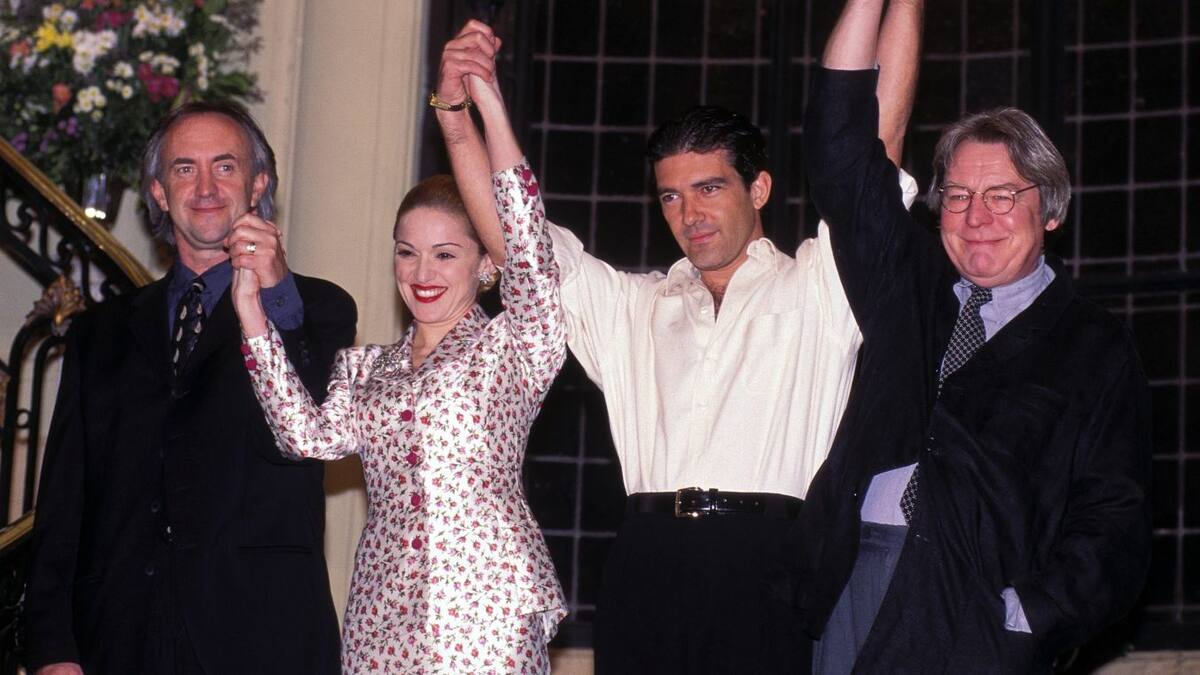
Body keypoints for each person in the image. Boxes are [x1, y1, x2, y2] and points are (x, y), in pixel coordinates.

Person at [436, 19, 920, 673]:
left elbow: (875, 147)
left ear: (758, 189)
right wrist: (460, 113)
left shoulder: (819, 284)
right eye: (671, 196)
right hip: (647, 564)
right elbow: (516, 238)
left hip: (770, 568)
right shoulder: (634, 307)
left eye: (709, 188)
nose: (689, 214)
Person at [786, 1, 1153, 672]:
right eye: (957, 196)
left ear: (1049, 209)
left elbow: (1115, 520)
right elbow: (840, 149)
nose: (976, 217)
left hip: (972, 617)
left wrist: (1026, 616)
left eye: (1002, 196)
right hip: (850, 583)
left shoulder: (1094, 346)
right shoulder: (909, 284)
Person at [229, 57, 566, 671]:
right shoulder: (364, 367)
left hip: (486, 608)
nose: (422, 272)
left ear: (486, 265)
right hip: (381, 612)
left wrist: (486, 103)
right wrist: (251, 313)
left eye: (445, 254)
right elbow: (306, 438)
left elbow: (529, 246)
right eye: (407, 253)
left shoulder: (516, 343)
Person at [25, 101, 356, 674]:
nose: (205, 187)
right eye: (184, 169)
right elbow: (64, 499)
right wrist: (52, 647)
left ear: (258, 184)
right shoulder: (99, 332)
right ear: (158, 192)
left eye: (225, 166)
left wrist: (276, 295)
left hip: (261, 642)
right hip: (118, 640)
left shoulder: (317, 308)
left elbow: (314, 433)